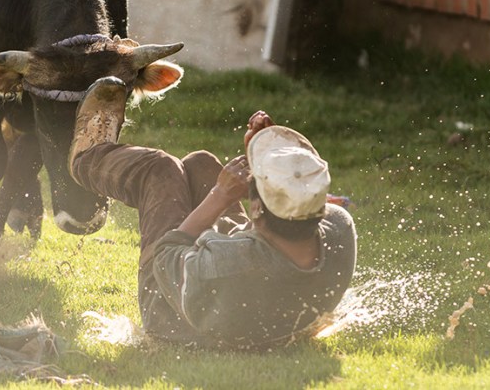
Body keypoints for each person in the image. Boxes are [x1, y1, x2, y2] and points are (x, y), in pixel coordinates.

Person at [67, 76, 357, 349]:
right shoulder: (340, 229)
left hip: (174, 311)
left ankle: (85, 158)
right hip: (248, 299)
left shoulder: (226, 263)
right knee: (201, 165)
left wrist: (220, 196)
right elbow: (303, 188)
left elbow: (167, 253)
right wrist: (268, 154)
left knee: (160, 169)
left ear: (255, 209)